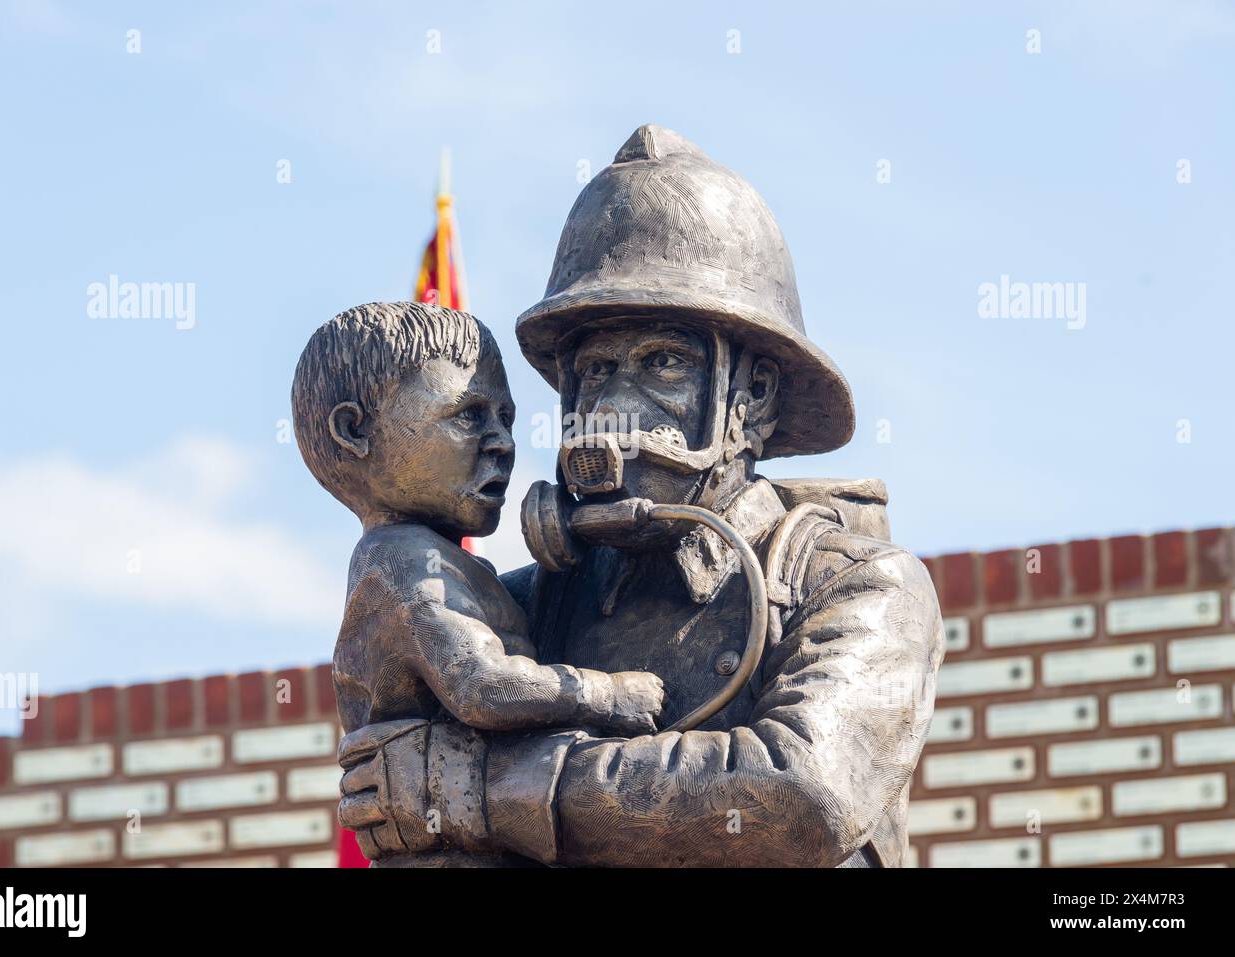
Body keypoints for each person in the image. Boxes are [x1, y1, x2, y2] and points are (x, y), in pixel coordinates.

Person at [336, 127, 945, 867]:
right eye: (594, 370)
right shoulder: (521, 611)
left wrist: (491, 790)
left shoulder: (856, 584)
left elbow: (801, 794)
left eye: (662, 362)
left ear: (750, 395)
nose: (614, 404)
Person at [290, 302, 667, 852]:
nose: (502, 442)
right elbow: (481, 685)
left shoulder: (433, 562)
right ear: (354, 430)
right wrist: (604, 693)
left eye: (506, 419)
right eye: (469, 415)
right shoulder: (405, 566)